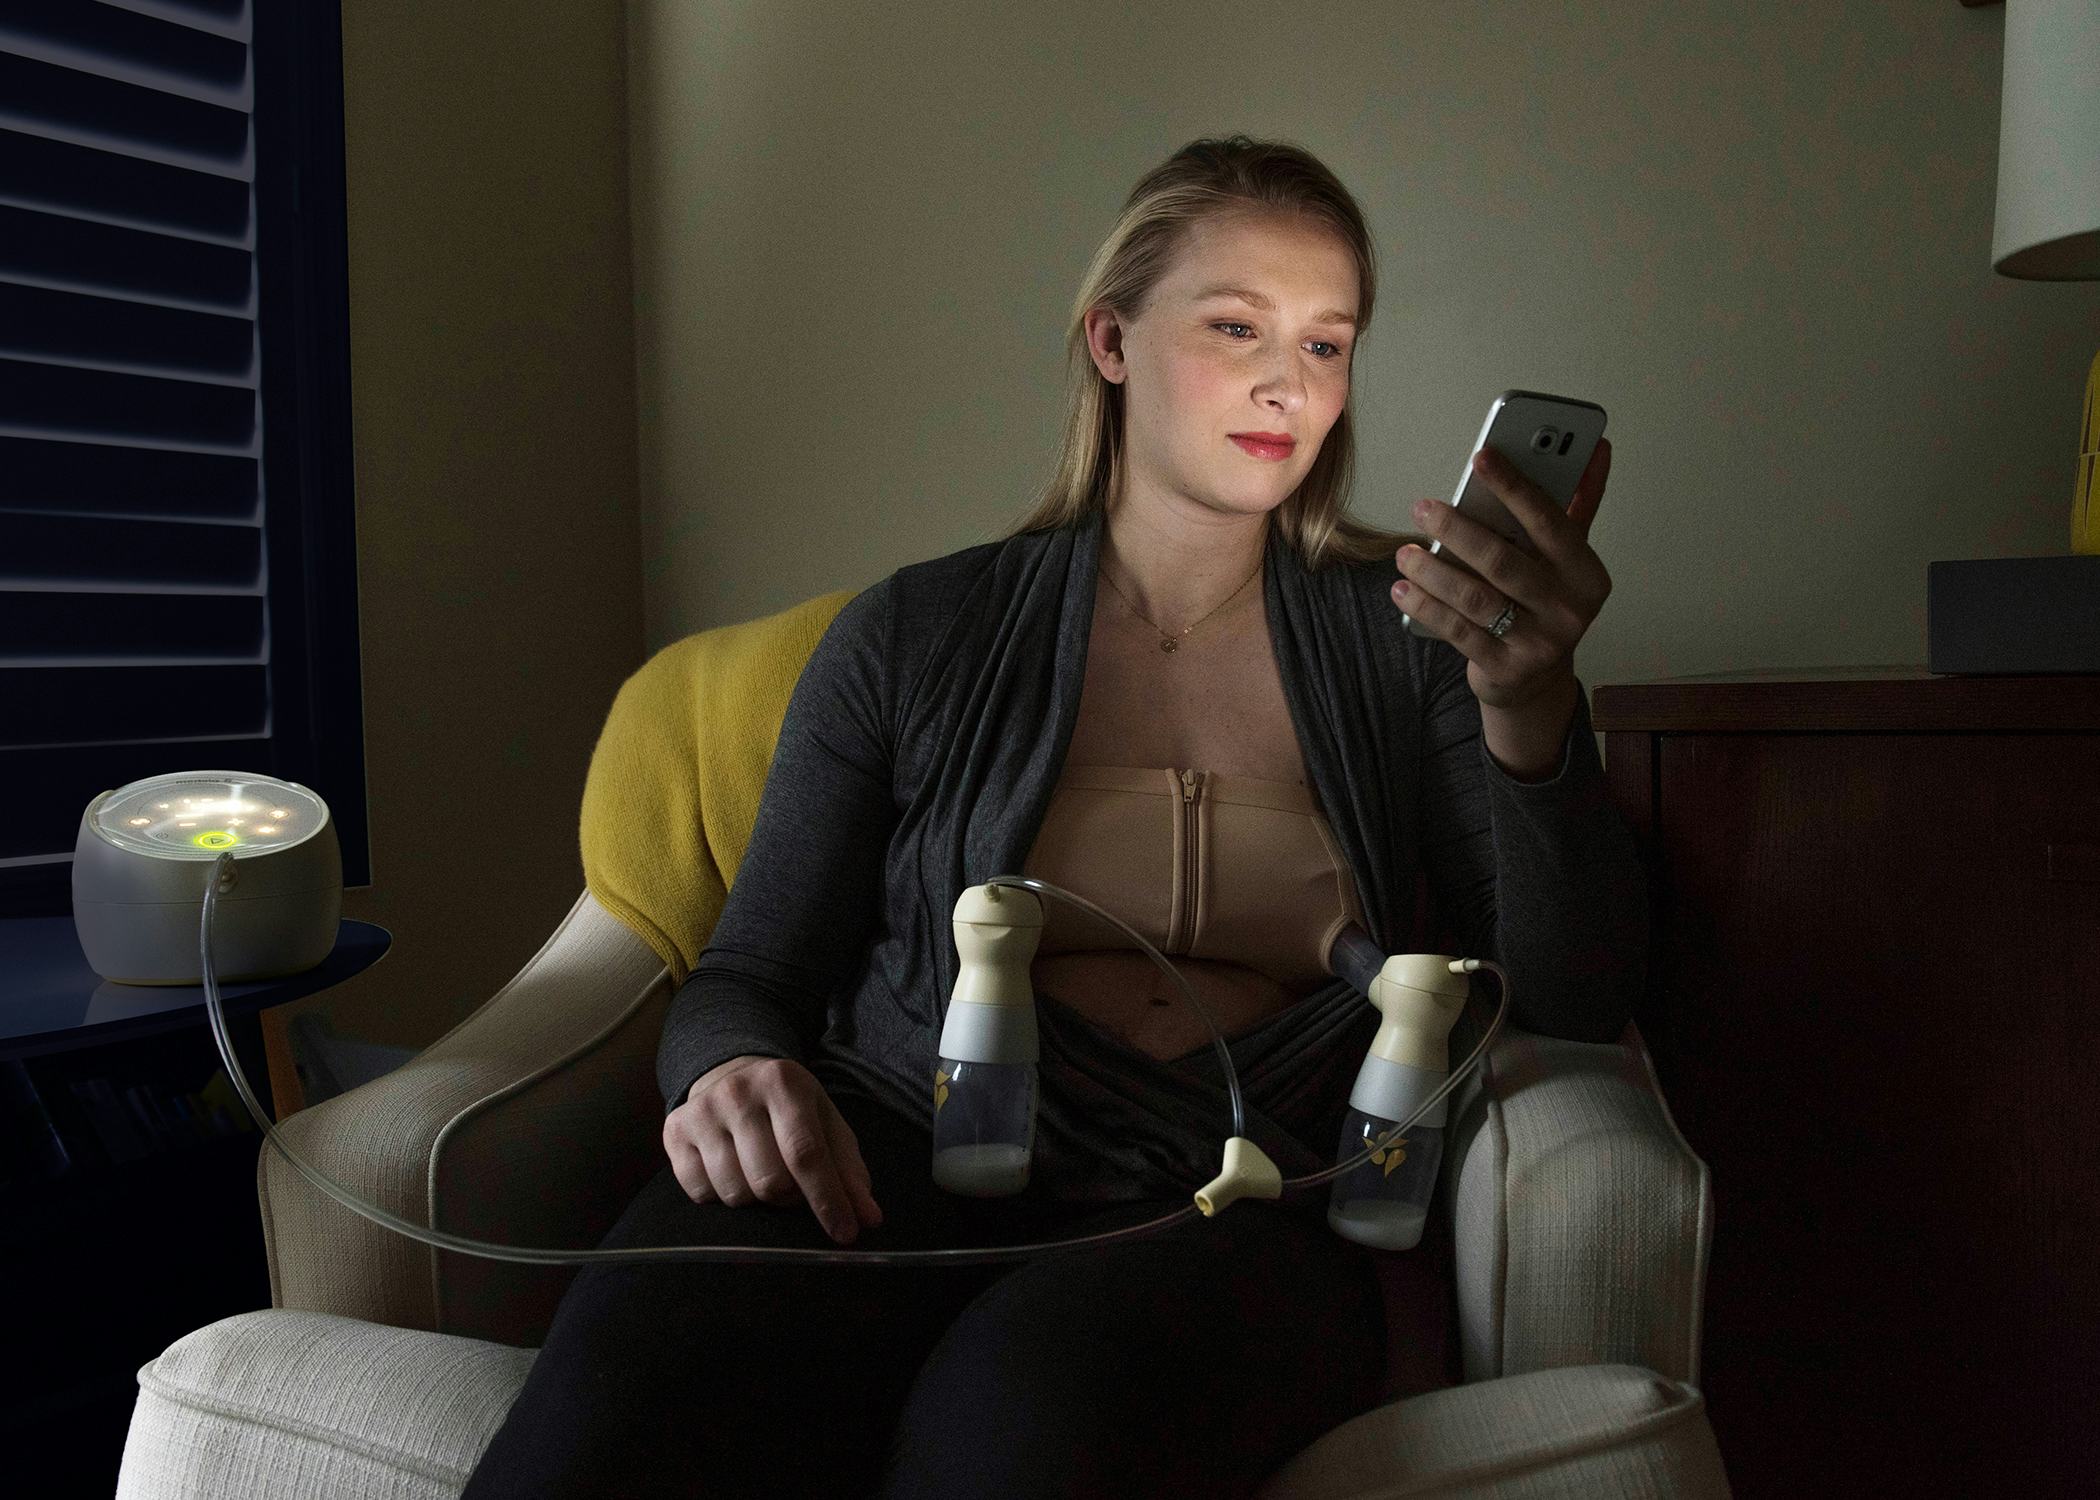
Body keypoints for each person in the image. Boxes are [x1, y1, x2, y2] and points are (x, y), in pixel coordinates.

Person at [461, 132, 1643, 1500]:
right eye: (1234, 325)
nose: (1286, 378)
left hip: (1241, 1208)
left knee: (1021, 1433)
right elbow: (749, 973)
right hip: (891, 1151)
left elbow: (1575, 992)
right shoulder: (911, 632)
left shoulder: (1417, 643)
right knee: (622, 1398)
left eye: (1328, 344)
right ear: (1113, 343)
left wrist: (1534, 706)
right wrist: (722, 1071)